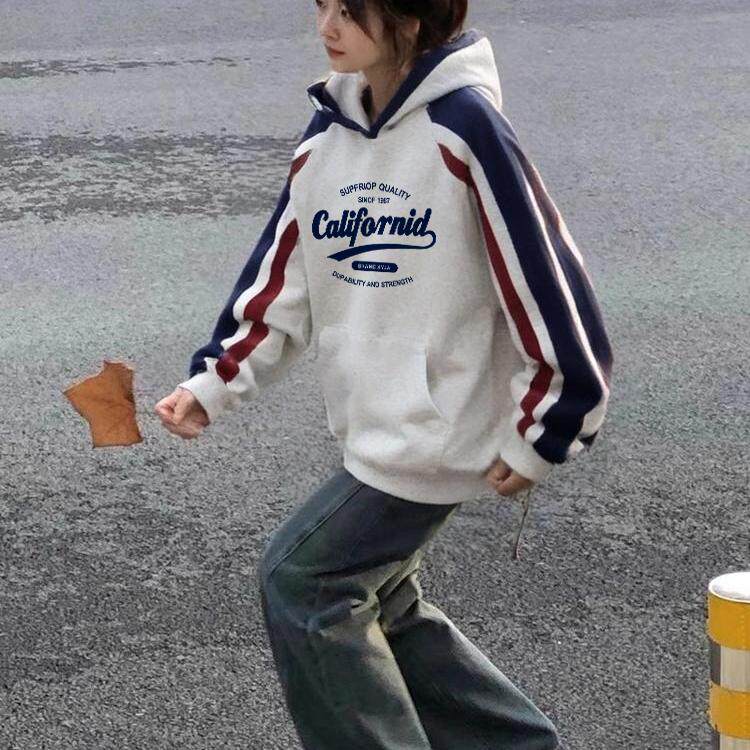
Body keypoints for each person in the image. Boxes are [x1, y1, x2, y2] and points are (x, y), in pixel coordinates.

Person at [155, 0, 613, 747]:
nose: (327, 26)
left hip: (438, 429)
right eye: (323, 5)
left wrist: (550, 425)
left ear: (409, 16)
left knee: (304, 581)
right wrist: (214, 382)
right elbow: (281, 282)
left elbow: (544, 277)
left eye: (351, 10)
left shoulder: (464, 128)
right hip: (377, 427)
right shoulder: (325, 137)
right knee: (383, 605)